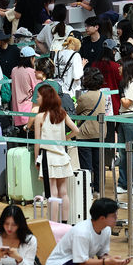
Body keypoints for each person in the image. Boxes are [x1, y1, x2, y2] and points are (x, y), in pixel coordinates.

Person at [34, 85, 79, 222]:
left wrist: (37, 159)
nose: (37, 99)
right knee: (63, 192)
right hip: (62, 156)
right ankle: (64, 223)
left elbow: (37, 142)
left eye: (39, 96)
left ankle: (53, 224)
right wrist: (65, 138)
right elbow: (76, 130)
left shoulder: (40, 117)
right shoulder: (62, 114)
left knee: (52, 193)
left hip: (48, 157)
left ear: (45, 99)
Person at [116, 58, 133, 195]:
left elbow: (127, 103)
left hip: (131, 117)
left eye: (120, 66)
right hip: (122, 117)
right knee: (122, 152)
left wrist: (120, 93)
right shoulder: (125, 83)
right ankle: (123, 182)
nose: (118, 68)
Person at [75, 68, 105, 194]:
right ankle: (99, 188)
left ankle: (87, 189)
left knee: (86, 165)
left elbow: (77, 112)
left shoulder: (84, 97)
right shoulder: (103, 95)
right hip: (100, 132)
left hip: (85, 134)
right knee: (99, 164)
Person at [11, 47, 40, 130]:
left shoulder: (14, 70)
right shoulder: (32, 72)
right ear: (31, 58)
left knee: (21, 140)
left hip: (16, 112)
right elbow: (38, 90)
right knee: (31, 141)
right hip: (30, 112)